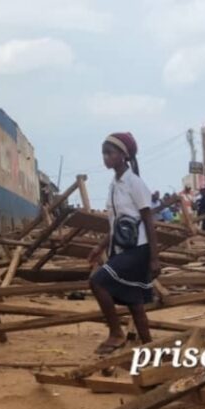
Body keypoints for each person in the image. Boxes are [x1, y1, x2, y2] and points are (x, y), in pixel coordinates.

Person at [88, 132, 161, 355]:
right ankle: (148, 346)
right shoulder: (114, 184)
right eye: (103, 153)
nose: (105, 157)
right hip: (121, 248)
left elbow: (148, 220)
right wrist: (100, 247)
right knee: (134, 301)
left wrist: (154, 257)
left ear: (123, 155)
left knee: (97, 281)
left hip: (138, 249)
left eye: (109, 153)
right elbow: (116, 224)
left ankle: (116, 333)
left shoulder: (134, 183)